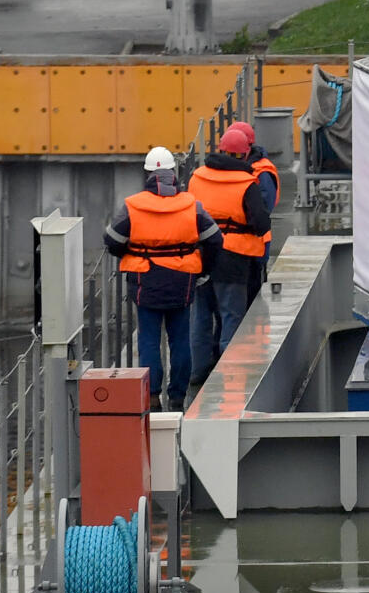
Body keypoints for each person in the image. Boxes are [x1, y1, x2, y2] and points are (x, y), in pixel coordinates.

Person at [102, 147, 221, 411]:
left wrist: (133, 251)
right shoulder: (192, 205)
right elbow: (214, 239)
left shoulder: (133, 206)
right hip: (183, 281)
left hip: (146, 282)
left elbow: (112, 240)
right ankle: (178, 397)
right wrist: (203, 269)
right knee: (180, 340)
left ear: (147, 174)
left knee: (148, 341)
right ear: (174, 174)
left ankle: (152, 397)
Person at [188, 123, 275, 378]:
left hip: (201, 256)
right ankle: (229, 374)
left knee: (201, 317)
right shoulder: (247, 183)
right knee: (231, 316)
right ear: (245, 153)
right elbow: (261, 223)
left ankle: (198, 372)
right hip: (233, 258)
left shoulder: (197, 177)